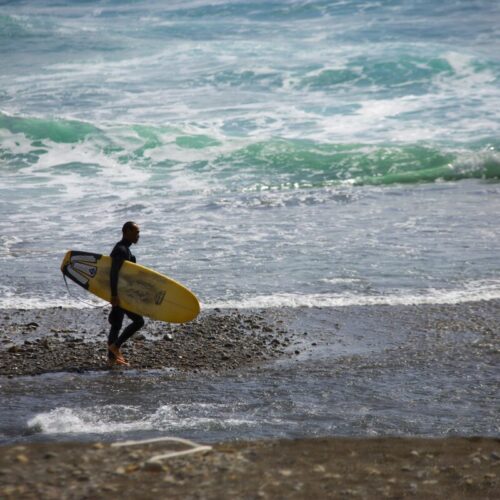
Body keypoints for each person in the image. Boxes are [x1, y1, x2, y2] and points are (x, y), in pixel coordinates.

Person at [107, 221, 145, 366]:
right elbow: (113, 273)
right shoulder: (121, 250)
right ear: (126, 232)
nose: (138, 236)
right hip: (120, 294)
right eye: (136, 232)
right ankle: (115, 347)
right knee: (139, 321)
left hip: (121, 292)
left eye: (138, 233)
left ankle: (112, 359)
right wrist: (115, 295)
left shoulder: (126, 250)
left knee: (116, 324)